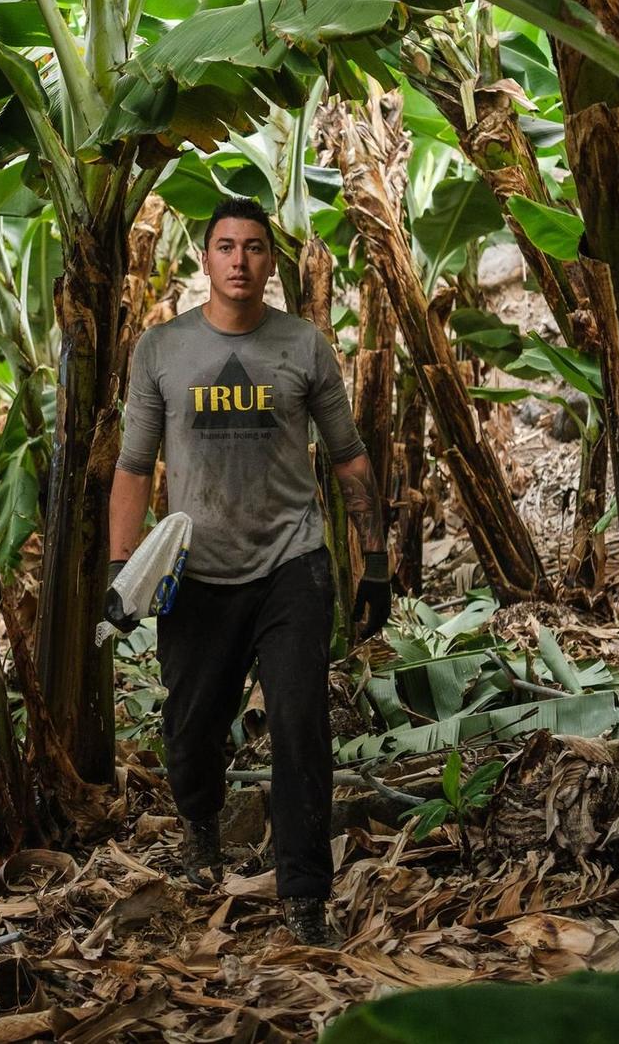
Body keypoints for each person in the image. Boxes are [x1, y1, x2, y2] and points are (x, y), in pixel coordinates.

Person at [108, 195, 391, 946]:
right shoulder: (161, 350)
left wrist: (378, 561)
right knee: (190, 730)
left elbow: (349, 456)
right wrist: (120, 569)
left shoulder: (304, 346)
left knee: (300, 723)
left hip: (290, 564)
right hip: (195, 573)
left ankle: (305, 897)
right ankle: (201, 822)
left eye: (256, 247)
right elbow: (136, 465)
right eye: (226, 246)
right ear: (205, 260)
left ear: (272, 262)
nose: (240, 259)